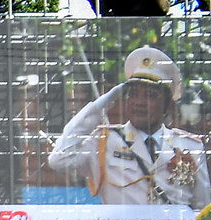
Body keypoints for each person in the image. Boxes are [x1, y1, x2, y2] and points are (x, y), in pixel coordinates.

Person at [49, 45, 211, 211]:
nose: (139, 102)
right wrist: (101, 105)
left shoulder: (189, 146)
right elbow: (58, 159)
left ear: (167, 104)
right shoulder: (104, 141)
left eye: (150, 95)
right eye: (132, 94)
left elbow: (203, 210)